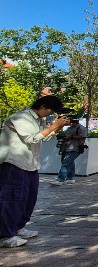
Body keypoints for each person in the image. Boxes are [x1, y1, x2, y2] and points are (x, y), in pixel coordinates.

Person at [0, 95, 70, 247]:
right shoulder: (20, 117)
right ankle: (5, 235)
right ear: (43, 106)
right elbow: (31, 138)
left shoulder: (39, 120)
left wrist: (58, 127)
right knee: (12, 199)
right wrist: (53, 126)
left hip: (30, 164)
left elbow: (43, 138)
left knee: (28, 198)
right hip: (14, 162)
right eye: (51, 111)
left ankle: (18, 227)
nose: (51, 115)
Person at [50, 116, 87, 186]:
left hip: (75, 148)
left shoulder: (81, 128)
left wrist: (71, 137)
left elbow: (83, 136)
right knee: (69, 162)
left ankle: (60, 179)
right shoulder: (69, 128)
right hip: (66, 147)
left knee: (66, 163)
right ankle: (70, 178)